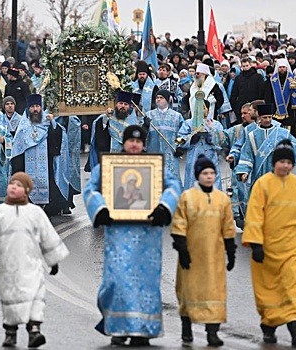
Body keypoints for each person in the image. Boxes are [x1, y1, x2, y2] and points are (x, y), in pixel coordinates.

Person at [83, 125, 181, 347]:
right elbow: (91, 189)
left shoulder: (154, 167)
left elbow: (173, 186)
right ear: (124, 143)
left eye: (138, 141)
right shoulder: (110, 166)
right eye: (130, 141)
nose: (135, 145)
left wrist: (164, 207)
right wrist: (102, 210)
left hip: (148, 235)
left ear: (143, 144)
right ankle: (118, 327)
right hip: (118, 233)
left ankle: (143, 331)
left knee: (145, 283)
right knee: (116, 280)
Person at [0, 172, 69, 348]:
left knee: (35, 296)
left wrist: (53, 260)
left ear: (26, 191)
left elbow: (47, 235)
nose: (13, 187)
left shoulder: (35, 213)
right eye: (12, 184)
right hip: (7, 266)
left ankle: (34, 330)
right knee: (10, 297)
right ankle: (10, 332)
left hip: (31, 265)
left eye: (18, 185)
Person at [242, 140, 296, 347]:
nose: (285, 166)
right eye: (281, 161)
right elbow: (254, 214)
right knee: (268, 289)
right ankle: (269, 326)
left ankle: (295, 324)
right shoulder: (262, 185)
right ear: (274, 163)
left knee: (292, 285)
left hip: (292, 247)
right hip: (267, 247)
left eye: (289, 162)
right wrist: (256, 244)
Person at [171, 155, 236, 347]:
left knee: (215, 293)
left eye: (211, 173)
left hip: (213, 257)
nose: (208, 177)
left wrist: (231, 252)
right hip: (191, 256)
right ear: (198, 175)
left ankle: (212, 332)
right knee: (189, 292)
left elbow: (228, 227)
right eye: (204, 173)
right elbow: (179, 225)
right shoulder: (187, 197)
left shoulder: (222, 199)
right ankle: (186, 328)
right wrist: (182, 249)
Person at [10, 94, 70, 217]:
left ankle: (50, 207)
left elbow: (58, 138)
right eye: (32, 107)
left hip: (46, 161)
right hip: (27, 164)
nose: (35, 109)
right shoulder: (23, 126)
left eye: (37, 106)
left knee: (49, 181)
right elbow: (17, 146)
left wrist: (53, 124)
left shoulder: (48, 123)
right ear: (28, 108)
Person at [236, 104, 296, 185]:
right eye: (265, 117)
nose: (268, 120)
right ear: (259, 117)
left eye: (270, 117)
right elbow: (247, 155)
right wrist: (244, 172)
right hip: (259, 175)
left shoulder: (282, 132)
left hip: (278, 173)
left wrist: (289, 148)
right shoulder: (252, 135)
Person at [86, 91, 140, 171]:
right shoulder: (108, 116)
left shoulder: (134, 120)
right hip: (108, 154)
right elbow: (99, 132)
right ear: (116, 104)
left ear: (129, 106)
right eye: (120, 103)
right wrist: (105, 119)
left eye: (125, 104)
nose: (123, 106)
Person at [177, 99, 225, 190]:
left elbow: (222, 140)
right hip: (193, 157)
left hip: (211, 157)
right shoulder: (188, 123)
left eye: (203, 108)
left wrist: (210, 138)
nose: (201, 110)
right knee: (193, 179)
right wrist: (191, 139)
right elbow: (180, 139)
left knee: (212, 179)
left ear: (208, 109)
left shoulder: (215, 124)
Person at [224, 103, 255, 229]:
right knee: (238, 192)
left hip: (255, 169)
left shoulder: (260, 129)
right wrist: (232, 155)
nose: (242, 116)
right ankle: (239, 215)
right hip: (240, 168)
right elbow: (230, 142)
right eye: (241, 113)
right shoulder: (237, 130)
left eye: (245, 113)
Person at [145, 89, 185, 185]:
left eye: (161, 98)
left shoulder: (177, 116)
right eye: (157, 98)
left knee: (172, 182)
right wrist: (145, 127)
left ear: (167, 100)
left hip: (171, 155)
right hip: (154, 153)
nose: (158, 100)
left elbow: (182, 133)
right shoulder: (149, 115)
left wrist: (179, 147)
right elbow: (143, 136)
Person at [264, 58, 296, 134]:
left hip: (289, 112)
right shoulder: (271, 81)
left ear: (287, 68)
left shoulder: (292, 80)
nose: (282, 69)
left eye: (283, 67)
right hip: (275, 112)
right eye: (280, 67)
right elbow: (268, 96)